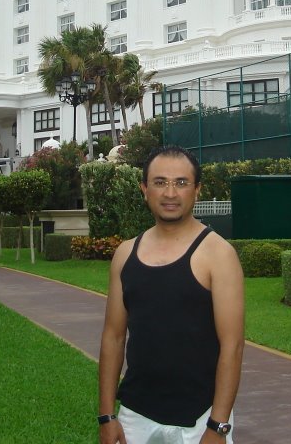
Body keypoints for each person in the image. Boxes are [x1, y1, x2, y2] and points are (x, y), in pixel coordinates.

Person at [98, 145, 245, 443]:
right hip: (135, 416)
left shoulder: (218, 254)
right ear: (144, 189)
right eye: (160, 182)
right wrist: (107, 415)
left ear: (197, 190)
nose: (170, 193)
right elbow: (113, 337)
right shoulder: (125, 254)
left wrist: (218, 426)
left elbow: (233, 346)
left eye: (181, 183)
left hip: (201, 419)